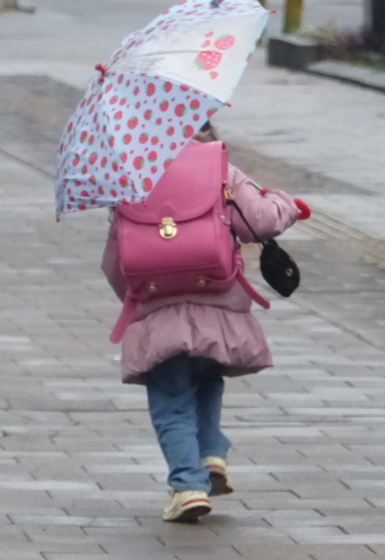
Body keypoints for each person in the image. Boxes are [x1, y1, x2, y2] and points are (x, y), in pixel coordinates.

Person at [102, 123, 306, 522]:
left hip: (160, 311)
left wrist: (137, 300)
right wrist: (287, 203)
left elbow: (115, 260)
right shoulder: (221, 169)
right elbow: (259, 222)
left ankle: (187, 486)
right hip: (217, 306)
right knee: (208, 379)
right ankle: (210, 457)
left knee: (171, 399)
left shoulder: (131, 177)